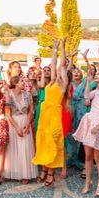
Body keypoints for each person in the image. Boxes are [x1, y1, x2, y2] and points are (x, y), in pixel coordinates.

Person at [72, 68, 99, 197]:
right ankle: (88, 182)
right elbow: (86, 96)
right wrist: (88, 81)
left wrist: (98, 127)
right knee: (88, 156)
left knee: (98, 158)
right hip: (89, 122)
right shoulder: (96, 92)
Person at [32, 39, 69, 187]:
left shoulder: (63, 83)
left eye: (60, 70)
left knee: (54, 141)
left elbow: (62, 65)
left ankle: (51, 172)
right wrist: (54, 49)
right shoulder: (52, 81)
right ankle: (46, 169)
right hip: (44, 115)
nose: (57, 70)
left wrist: (63, 47)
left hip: (54, 115)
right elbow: (54, 65)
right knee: (45, 142)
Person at [4, 75, 37, 183]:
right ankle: (12, 172)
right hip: (13, 123)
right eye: (22, 81)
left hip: (25, 121)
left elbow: (31, 111)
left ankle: (25, 174)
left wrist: (28, 124)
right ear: (16, 83)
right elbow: (8, 114)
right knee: (13, 147)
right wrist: (17, 128)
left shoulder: (28, 95)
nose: (25, 83)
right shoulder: (9, 95)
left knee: (25, 148)